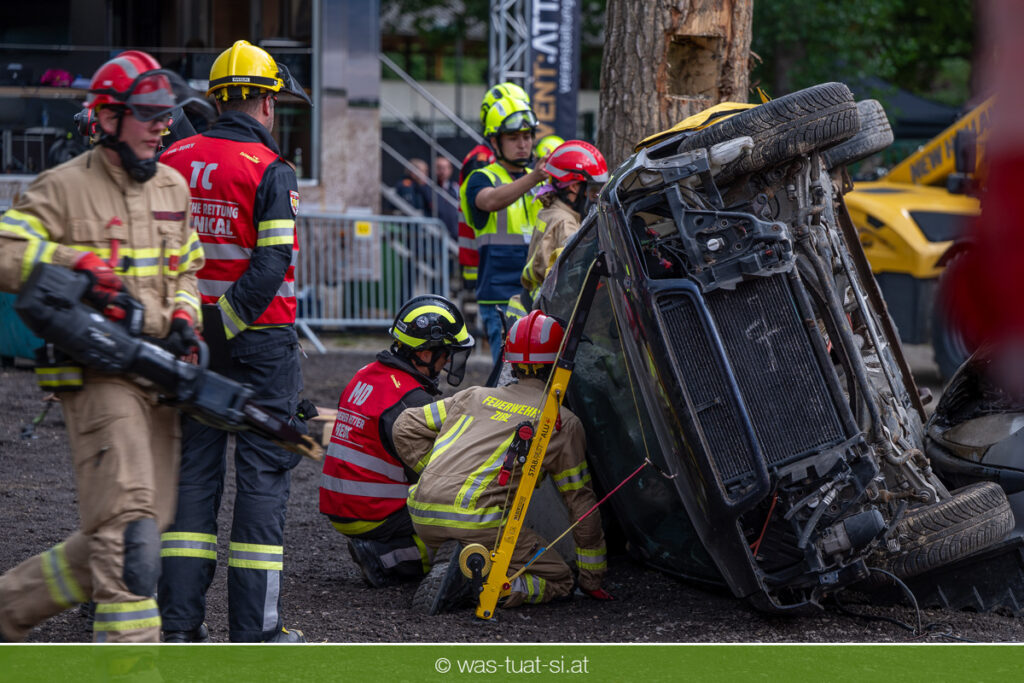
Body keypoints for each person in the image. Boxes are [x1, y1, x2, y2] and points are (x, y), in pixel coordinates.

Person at [0, 51, 205, 643]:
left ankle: (7, 612)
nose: (162, 126)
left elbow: (188, 269)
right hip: (96, 373)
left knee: (136, 528)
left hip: (159, 375)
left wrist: (185, 319)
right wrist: (73, 263)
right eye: (149, 115)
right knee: (129, 535)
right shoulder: (64, 187)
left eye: (166, 115)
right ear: (109, 117)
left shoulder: (173, 185)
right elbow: (6, 249)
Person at [157, 39, 312, 644]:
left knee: (193, 480)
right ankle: (256, 633)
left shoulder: (174, 157)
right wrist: (226, 326)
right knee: (263, 480)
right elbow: (271, 265)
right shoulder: (271, 169)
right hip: (261, 342)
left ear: (218, 99)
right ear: (267, 103)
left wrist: (203, 332)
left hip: (190, 340)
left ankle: (179, 626)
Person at [392, 310, 611, 615]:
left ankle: (464, 560)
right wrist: (591, 578)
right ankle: (481, 584)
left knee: (485, 540)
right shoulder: (560, 422)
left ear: (510, 360)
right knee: (560, 579)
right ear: (561, 363)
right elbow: (580, 505)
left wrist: (438, 474)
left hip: (421, 512)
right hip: (477, 522)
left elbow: (405, 425)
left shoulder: (473, 396)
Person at [319, 295, 475, 587]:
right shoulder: (410, 401)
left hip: (341, 502)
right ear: (425, 354)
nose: (447, 363)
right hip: (371, 511)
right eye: (446, 354)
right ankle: (386, 557)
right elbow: (430, 474)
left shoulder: (365, 373)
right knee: (459, 533)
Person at [460, 96, 548, 363]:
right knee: (506, 371)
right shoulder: (481, 177)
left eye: (527, 136)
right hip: (499, 296)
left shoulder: (540, 179)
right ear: (495, 142)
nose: (522, 144)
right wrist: (534, 178)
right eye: (513, 138)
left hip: (539, 294)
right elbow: (489, 201)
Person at [457, 83, 531, 291]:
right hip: (484, 261)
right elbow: (485, 203)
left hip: (510, 267)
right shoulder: (481, 161)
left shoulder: (517, 164)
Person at [519, 140, 609, 299]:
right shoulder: (565, 222)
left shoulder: (548, 210)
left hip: (532, 298)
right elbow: (573, 278)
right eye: (592, 190)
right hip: (551, 305)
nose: (594, 198)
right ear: (574, 187)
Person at [433, 156, 460, 241]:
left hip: (454, 233)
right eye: (439, 168)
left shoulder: (456, 188)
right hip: (435, 234)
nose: (442, 171)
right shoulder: (428, 187)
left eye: (444, 168)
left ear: (450, 170)